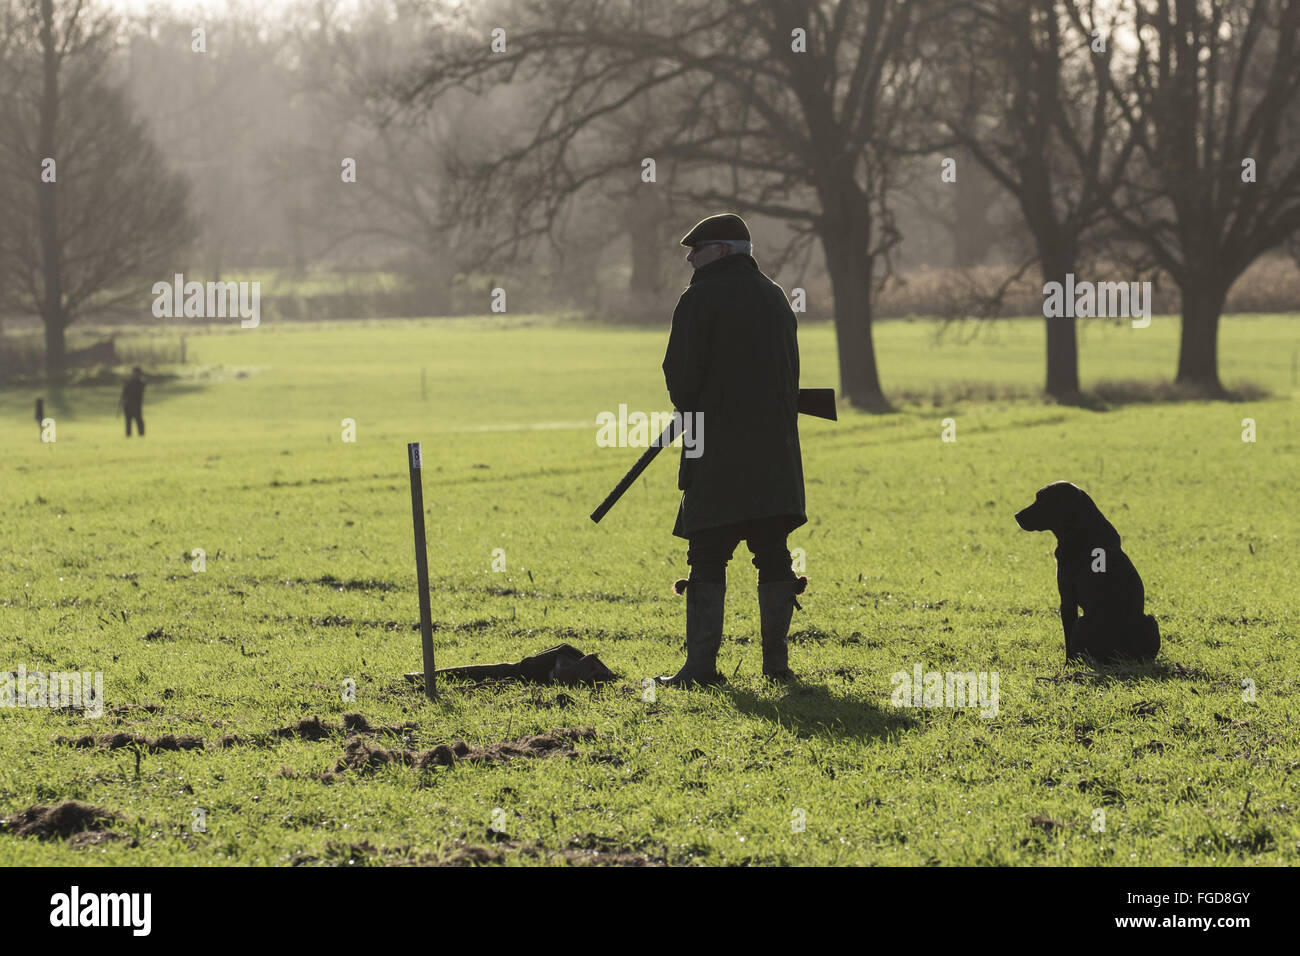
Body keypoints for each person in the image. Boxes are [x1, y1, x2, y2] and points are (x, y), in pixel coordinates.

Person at [657, 213, 808, 688]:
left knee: (706, 555)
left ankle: (700, 668)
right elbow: (791, 373)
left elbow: (681, 378)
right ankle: (776, 667)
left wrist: (695, 407)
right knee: (774, 553)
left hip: (716, 451)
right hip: (774, 452)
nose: (690, 258)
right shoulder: (775, 296)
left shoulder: (699, 299)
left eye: (697, 251)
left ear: (722, 251)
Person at [120, 367, 146, 437]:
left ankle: (141, 435)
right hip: (128, 405)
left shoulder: (140, 383)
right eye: (134, 373)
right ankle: (128, 435)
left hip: (136, 405)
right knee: (128, 422)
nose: (135, 374)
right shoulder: (129, 382)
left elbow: (143, 385)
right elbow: (124, 393)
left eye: (137, 373)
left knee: (139, 421)